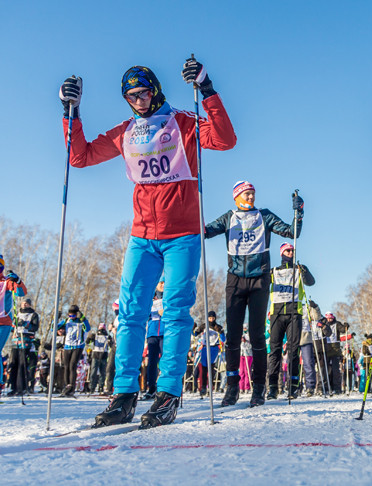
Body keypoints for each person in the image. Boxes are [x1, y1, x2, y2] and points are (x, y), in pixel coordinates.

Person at [59, 57, 237, 426]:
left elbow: (224, 139)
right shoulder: (127, 131)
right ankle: (124, 395)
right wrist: (69, 112)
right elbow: (80, 156)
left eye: (143, 93)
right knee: (131, 314)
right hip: (142, 237)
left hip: (182, 235)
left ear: (156, 89)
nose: (139, 101)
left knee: (174, 314)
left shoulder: (183, 123)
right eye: (131, 96)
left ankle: (168, 394)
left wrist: (207, 89)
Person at [204, 181, 303, 407]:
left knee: (258, 336)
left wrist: (299, 213)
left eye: (253, 194)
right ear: (237, 197)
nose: (251, 198)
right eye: (247, 194)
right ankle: (232, 387)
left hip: (259, 279)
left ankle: (259, 388)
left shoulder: (264, 216)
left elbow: (291, 232)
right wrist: (192, 216)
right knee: (232, 336)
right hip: (235, 280)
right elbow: (205, 232)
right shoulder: (229, 217)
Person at [266, 243, 315, 400]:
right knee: (275, 351)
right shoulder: (274, 271)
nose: (290, 252)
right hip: (277, 314)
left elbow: (310, 282)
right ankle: (273, 387)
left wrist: (304, 271)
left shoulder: (298, 269)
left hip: (294, 313)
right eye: (287, 250)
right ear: (281, 253)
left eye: (292, 250)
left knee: (294, 351)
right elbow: (262, 285)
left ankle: (293, 387)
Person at [0, 256, 26, 388]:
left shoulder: (7, 282)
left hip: (3, 321)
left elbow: (21, 293)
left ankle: (0, 383)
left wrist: (18, 280)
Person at [57, 305, 90, 397]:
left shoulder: (80, 321)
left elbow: (88, 328)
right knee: (66, 366)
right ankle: (66, 386)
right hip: (67, 346)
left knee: (72, 366)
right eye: (69, 315)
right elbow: (54, 328)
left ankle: (71, 387)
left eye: (73, 315)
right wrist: (56, 318)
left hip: (78, 346)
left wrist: (83, 318)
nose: (71, 317)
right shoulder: (66, 321)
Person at [9, 297, 38, 396]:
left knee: (22, 364)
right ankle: (13, 387)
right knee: (14, 364)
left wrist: (25, 324)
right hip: (16, 341)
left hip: (25, 341)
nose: (24, 305)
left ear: (29, 305)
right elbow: (12, 327)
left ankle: (21, 387)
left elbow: (35, 327)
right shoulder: (17, 314)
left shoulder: (33, 315)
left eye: (26, 303)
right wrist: (13, 325)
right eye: (23, 303)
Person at [141, 280, 164, 401]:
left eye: (165, 283)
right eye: (161, 282)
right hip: (152, 333)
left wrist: (165, 314)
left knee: (165, 360)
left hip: (165, 333)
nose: (162, 285)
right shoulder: (150, 298)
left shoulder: (169, 298)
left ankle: (164, 388)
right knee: (152, 362)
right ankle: (151, 388)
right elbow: (145, 314)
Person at [193, 312, 225, 397]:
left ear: (215, 318)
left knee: (211, 368)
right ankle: (203, 387)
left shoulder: (217, 327)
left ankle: (210, 386)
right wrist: (193, 329)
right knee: (203, 368)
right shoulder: (203, 326)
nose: (211, 320)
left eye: (212, 318)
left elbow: (223, 339)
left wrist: (221, 332)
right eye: (209, 318)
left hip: (214, 348)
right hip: (204, 348)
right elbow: (195, 334)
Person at [320, 312, 347, 394]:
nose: (329, 320)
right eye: (328, 318)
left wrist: (346, 326)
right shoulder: (323, 324)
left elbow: (342, 330)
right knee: (327, 370)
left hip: (335, 349)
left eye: (331, 318)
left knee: (336, 370)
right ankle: (326, 387)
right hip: (326, 348)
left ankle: (337, 388)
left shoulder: (336, 324)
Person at [87, 323, 111, 394]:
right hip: (96, 355)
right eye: (100, 329)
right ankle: (91, 387)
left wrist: (110, 340)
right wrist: (90, 337)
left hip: (104, 356)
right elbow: (87, 342)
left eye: (103, 329)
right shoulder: (95, 335)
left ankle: (101, 387)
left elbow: (111, 344)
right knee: (93, 372)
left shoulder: (107, 336)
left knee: (102, 372)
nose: (101, 332)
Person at [103, 300, 119, 395]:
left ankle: (118, 389)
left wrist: (115, 330)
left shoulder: (124, 317)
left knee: (119, 367)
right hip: (114, 345)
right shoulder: (115, 319)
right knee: (109, 367)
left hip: (121, 346)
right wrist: (110, 330)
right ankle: (109, 388)